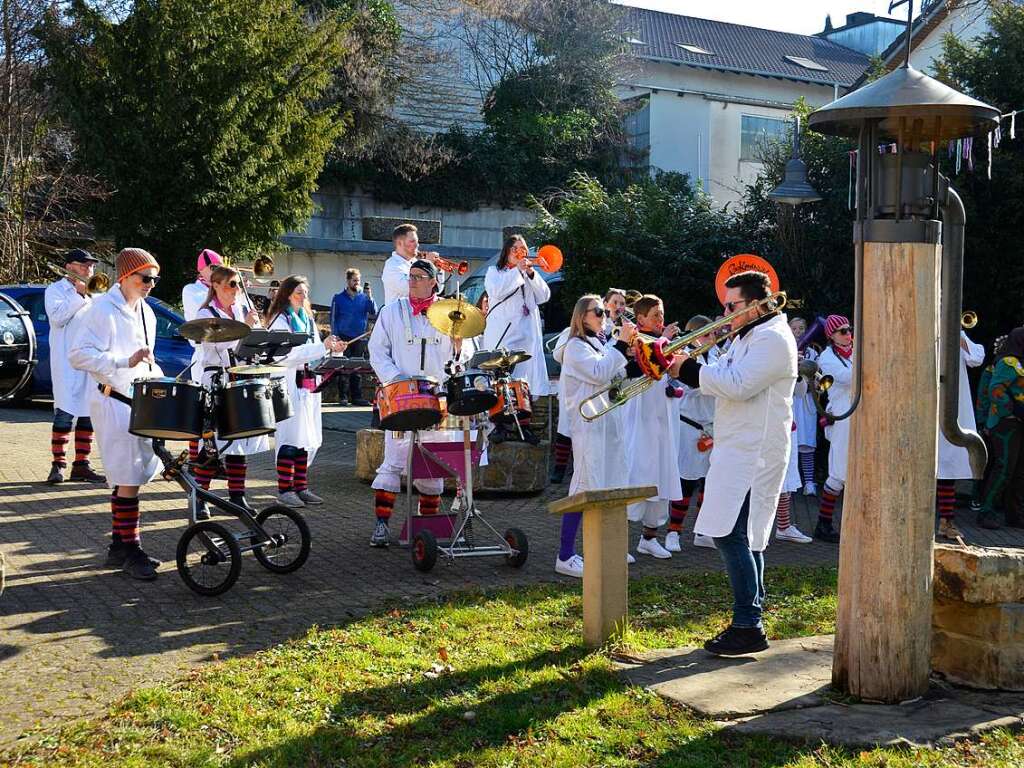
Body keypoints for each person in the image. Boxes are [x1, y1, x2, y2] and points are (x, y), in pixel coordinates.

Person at [675, 271, 796, 655]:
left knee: (732, 534)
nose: (725, 314)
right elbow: (724, 375)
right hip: (738, 448)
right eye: (724, 306)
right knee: (745, 535)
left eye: (732, 306)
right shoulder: (749, 335)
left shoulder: (774, 338)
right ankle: (751, 618)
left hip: (754, 452)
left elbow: (739, 384)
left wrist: (688, 369)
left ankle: (748, 623)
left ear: (758, 303)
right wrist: (680, 363)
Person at [68, 248, 165, 581]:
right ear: (126, 276)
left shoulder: (146, 312)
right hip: (112, 400)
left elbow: (146, 359)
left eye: (154, 278)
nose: (151, 284)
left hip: (138, 400)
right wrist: (122, 363)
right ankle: (132, 549)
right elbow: (78, 355)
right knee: (128, 478)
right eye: (145, 278)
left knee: (132, 475)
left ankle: (118, 547)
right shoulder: (101, 310)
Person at [368, 260, 458, 547]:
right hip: (401, 397)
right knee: (393, 460)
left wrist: (458, 345)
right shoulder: (391, 311)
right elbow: (377, 351)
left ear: (434, 282)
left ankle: (425, 531)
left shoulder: (449, 314)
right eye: (411, 276)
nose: (413, 281)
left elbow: (459, 359)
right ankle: (382, 526)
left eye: (419, 277)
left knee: (432, 463)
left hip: (435, 397)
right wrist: (396, 381)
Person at [556, 294, 637, 577]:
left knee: (610, 483)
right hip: (588, 426)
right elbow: (600, 373)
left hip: (609, 422)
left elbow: (613, 377)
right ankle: (565, 555)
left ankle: (605, 547)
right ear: (582, 316)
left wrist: (634, 367)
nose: (604, 316)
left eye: (604, 312)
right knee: (583, 486)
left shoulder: (600, 344)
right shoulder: (575, 347)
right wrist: (623, 343)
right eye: (599, 312)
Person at [266, 276, 347, 508]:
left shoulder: (307, 319)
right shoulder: (280, 320)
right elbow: (285, 355)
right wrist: (322, 346)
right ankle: (285, 489)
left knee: (307, 437)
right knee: (290, 436)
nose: (303, 297)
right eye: (298, 293)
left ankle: (301, 487)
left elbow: (316, 353)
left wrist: (334, 350)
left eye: (305, 293)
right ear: (287, 294)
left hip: (309, 384)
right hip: (288, 384)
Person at [193, 266, 267, 517]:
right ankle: (199, 497)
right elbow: (218, 344)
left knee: (240, 441)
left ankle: (237, 496)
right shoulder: (206, 312)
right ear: (215, 285)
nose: (236, 290)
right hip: (216, 378)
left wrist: (256, 330)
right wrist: (243, 328)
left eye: (237, 284)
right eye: (231, 285)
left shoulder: (239, 309)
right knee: (214, 443)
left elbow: (247, 344)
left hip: (238, 377)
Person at [623, 295, 683, 559]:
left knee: (663, 475)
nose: (661, 319)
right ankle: (617, 542)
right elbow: (648, 365)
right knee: (637, 475)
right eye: (656, 315)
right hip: (640, 422)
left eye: (662, 314)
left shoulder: (662, 343)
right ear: (641, 319)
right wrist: (665, 342)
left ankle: (649, 538)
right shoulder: (636, 342)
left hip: (663, 421)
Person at [483, 235, 553, 442]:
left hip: (526, 336)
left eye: (523, 248)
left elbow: (544, 296)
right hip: (503, 334)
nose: (520, 252)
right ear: (506, 251)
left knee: (524, 382)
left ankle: (524, 425)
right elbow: (497, 290)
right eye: (515, 248)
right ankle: (500, 426)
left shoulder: (526, 273)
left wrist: (531, 272)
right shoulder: (494, 272)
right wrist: (517, 271)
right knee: (501, 379)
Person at [43, 248, 105, 485]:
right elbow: (57, 317)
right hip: (66, 362)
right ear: (69, 266)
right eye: (83, 265)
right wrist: (78, 296)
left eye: (91, 265)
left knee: (88, 413)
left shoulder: (96, 293)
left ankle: (82, 465)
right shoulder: (55, 290)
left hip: (90, 360)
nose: (89, 269)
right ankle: (58, 465)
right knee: (65, 412)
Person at [669, 315, 716, 551]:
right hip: (689, 425)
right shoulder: (682, 355)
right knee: (686, 482)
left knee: (709, 482)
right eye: (707, 334)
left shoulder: (716, 356)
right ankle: (673, 532)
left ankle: (702, 531)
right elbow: (690, 387)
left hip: (710, 427)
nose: (713, 338)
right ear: (695, 335)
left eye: (714, 333)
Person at [935, 330, 985, 539]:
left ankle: (946, 522)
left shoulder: (956, 332)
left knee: (949, 468)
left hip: (952, 409)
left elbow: (976, 358)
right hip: (929, 404)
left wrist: (958, 336)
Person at [976, 328, 1024, 530]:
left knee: (1019, 472)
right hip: (1007, 423)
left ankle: (1014, 515)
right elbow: (995, 390)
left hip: (1020, 423)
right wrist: (1011, 410)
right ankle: (986, 512)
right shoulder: (1007, 362)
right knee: (1003, 469)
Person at [182, 248, 224, 464]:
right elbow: (200, 318)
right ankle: (195, 459)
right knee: (201, 414)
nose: (218, 272)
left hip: (224, 360)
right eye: (214, 268)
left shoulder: (221, 290)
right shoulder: (192, 290)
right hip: (203, 358)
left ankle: (214, 458)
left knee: (218, 414)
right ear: (202, 270)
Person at [814, 315, 854, 543]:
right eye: (842, 331)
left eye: (849, 330)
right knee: (839, 472)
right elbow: (846, 378)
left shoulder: (857, 351)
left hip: (861, 415)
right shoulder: (827, 357)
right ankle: (824, 523)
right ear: (831, 335)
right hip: (843, 415)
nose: (848, 334)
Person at [329, 268, 377, 406]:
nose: (357, 283)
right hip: (343, 337)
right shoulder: (338, 298)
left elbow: (373, 311)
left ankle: (357, 397)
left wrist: (370, 297)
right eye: (354, 280)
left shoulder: (363, 297)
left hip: (359, 337)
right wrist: (335, 336)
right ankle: (343, 397)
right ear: (348, 281)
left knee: (357, 368)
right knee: (343, 367)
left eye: (358, 281)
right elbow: (333, 318)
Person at [789, 316, 819, 496]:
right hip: (791, 401)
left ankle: (809, 482)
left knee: (807, 443)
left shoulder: (813, 353)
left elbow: (819, 376)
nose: (798, 332)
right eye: (794, 329)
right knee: (790, 444)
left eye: (801, 328)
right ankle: (791, 484)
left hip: (807, 402)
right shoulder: (784, 350)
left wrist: (814, 385)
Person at [382, 223, 441, 306]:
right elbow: (412, 289)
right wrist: (427, 266)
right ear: (400, 243)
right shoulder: (392, 266)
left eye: (417, 241)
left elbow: (437, 289)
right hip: (398, 317)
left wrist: (436, 270)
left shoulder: (415, 263)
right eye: (412, 241)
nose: (417, 245)